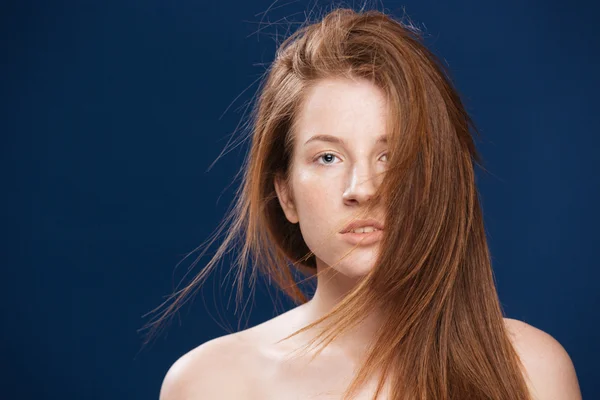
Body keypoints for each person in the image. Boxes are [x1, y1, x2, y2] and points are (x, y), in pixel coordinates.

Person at [150, 7, 582, 400]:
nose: (363, 188)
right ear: (285, 195)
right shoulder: (212, 384)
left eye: (391, 156)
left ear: (439, 179)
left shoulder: (532, 371)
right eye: (328, 157)